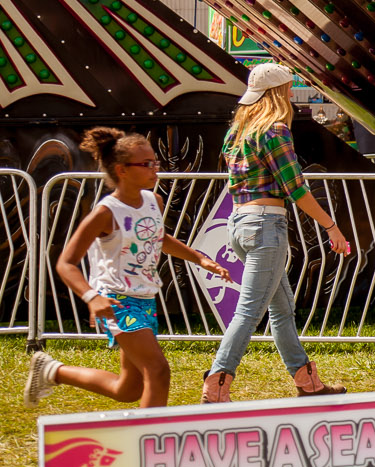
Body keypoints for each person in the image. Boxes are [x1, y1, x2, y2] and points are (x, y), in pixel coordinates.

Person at [27, 129, 229, 409]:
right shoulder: (106, 213)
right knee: (158, 370)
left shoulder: (154, 201)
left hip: (145, 299)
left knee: (128, 388)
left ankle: (52, 371)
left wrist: (199, 259)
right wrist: (92, 297)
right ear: (121, 170)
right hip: (116, 301)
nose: (154, 168)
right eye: (146, 164)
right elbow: (66, 263)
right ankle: (150, 435)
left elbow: (158, 238)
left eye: (154, 162)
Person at [204, 64, 350, 402]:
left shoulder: (236, 132)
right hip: (265, 227)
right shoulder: (274, 131)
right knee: (249, 313)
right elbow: (295, 188)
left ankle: (308, 384)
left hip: (241, 224)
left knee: (281, 310)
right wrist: (331, 227)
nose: (291, 96)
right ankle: (217, 384)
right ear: (279, 93)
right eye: (288, 90)